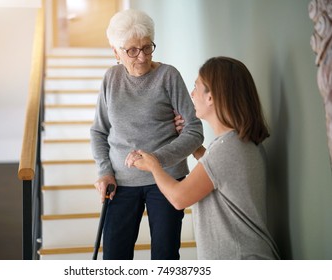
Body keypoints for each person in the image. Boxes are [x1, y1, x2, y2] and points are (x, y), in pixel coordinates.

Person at [129, 56, 281, 259]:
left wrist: (154, 165)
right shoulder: (238, 143)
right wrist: (195, 148)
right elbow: (217, 175)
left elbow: (178, 198)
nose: (191, 94)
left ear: (211, 97)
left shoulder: (227, 149)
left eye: (196, 87)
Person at [90, 9, 204, 260]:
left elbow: (194, 131)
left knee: (165, 257)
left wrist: (155, 161)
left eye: (147, 48)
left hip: (166, 180)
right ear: (116, 52)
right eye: (132, 50)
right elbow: (99, 131)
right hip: (120, 183)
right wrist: (104, 171)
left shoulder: (168, 76)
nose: (141, 57)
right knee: (114, 258)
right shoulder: (111, 79)